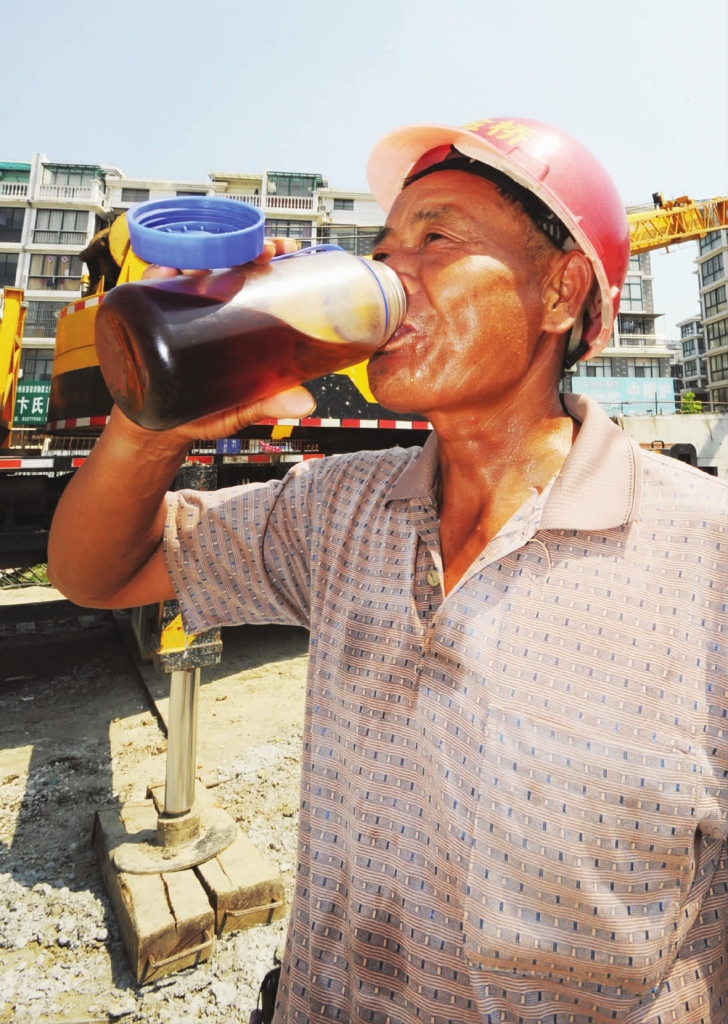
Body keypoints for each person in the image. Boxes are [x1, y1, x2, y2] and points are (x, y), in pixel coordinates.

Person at [48, 118, 727, 1024]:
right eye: (382, 247)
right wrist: (152, 426)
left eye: (437, 238)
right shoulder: (338, 507)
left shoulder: (703, 551)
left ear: (561, 291)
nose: (389, 273)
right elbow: (99, 571)